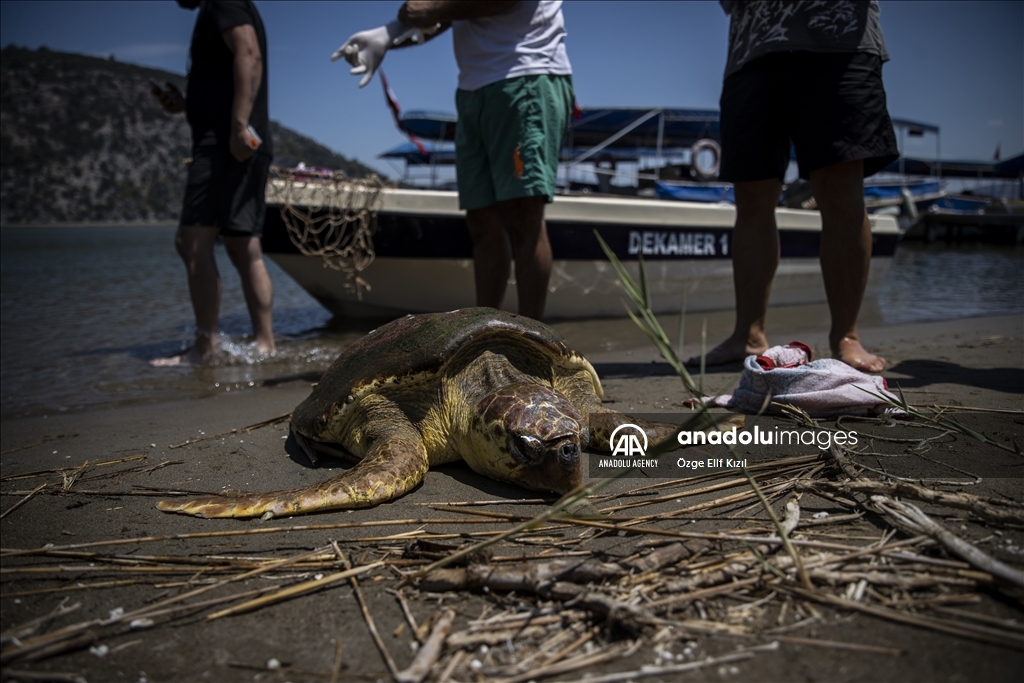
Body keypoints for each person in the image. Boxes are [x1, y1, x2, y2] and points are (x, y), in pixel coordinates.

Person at [689, 1, 899, 373]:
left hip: (839, 43)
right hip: (752, 50)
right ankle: (748, 334)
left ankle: (846, 336)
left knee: (839, 188)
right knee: (751, 196)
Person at [336, 0, 574, 320]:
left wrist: (420, 11)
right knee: (481, 221)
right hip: (472, 89)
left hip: (526, 75)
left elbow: (443, 7)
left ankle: (532, 345)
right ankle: (485, 335)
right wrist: (387, 35)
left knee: (523, 218)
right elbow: (444, 14)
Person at [151, 0, 275, 366]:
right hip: (242, 140)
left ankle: (204, 348)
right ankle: (265, 345)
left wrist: (237, 126)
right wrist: (187, 105)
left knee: (191, 243)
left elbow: (249, 53)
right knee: (242, 244)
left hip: (225, 143)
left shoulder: (222, 1)